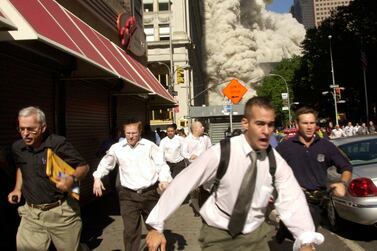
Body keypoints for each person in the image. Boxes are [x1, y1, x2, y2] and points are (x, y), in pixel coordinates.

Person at [145, 97, 324, 251]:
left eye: (270, 125)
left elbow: (292, 199)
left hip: (255, 235)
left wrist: (305, 240)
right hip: (218, 234)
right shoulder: (221, 153)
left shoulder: (275, 162)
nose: (266, 131)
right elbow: (184, 182)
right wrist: (156, 225)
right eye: (260, 124)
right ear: (245, 123)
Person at [7, 106, 89, 251]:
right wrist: (17, 189)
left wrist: (71, 179)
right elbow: (21, 167)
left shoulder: (57, 143)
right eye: (21, 129)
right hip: (31, 215)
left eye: (31, 129)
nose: (25, 133)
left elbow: (83, 166)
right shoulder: (17, 147)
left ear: (43, 127)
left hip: (61, 213)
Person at [92, 119, 172, 251]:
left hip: (149, 194)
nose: (131, 136)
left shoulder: (150, 146)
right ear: (124, 132)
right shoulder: (117, 148)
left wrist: (164, 180)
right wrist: (97, 177)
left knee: (156, 228)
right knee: (131, 233)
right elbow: (106, 163)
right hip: (127, 196)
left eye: (134, 133)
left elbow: (161, 164)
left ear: (140, 132)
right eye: (128, 133)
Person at [276, 107, 352, 238]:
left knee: (306, 234)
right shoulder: (285, 147)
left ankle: (287, 232)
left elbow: (346, 166)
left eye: (312, 123)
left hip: (316, 201)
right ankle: (288, 231)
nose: (309, 127)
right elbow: (270, 170)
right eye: (305, 123)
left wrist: (343, 184)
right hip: (293, 200)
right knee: (306, 236)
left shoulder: (325, 145)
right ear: (296, 124)